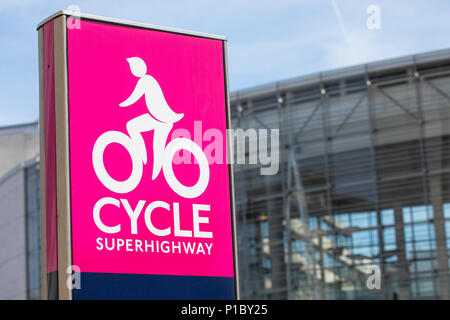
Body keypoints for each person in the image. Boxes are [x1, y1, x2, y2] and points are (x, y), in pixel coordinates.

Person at [119, 57, 184, 180]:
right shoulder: (148, 80)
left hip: (162, 120)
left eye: (133, 67)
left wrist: (119, 104)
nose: (133, 70)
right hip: (157, 118)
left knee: (155, 145)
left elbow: (133, 97)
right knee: (133, 127)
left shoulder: (146, 80)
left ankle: (150, 167)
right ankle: (144, 158)